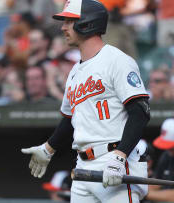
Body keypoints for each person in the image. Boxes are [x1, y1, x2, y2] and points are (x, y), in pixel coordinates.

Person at [21, 0, 151, 203]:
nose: (63, 27)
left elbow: (140, 112)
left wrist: (120, 156)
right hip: (83, 166)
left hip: (114, 160)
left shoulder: (117, 60)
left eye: (69, 21)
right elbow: (70, 119)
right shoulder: (75, 71)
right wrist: (48, 148)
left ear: (87, 23)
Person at [145, 118, 174, 202]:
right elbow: (157, 183)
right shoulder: (167, 155)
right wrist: (135, 188)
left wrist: (143, 193)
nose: (169, 150)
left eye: (172, 148)